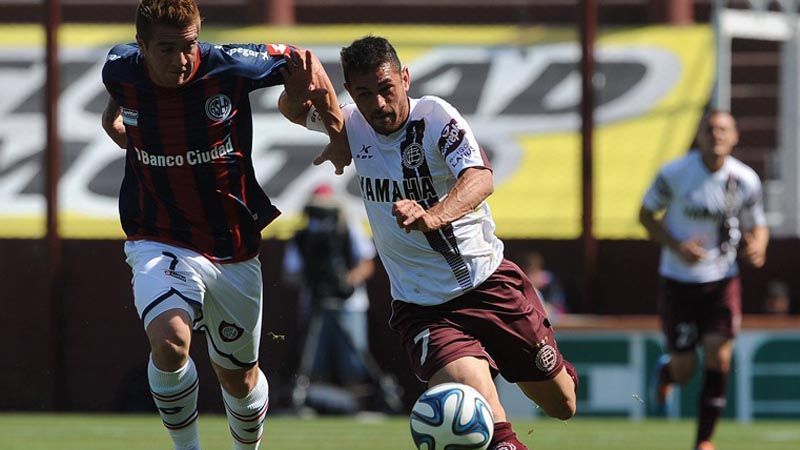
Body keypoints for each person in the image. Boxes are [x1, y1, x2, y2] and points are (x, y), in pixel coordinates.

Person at [280, 35, 577, 450]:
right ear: (351, 92)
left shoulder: (435, 116)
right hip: (424, 308)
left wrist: (432, 215)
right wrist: (297, 92)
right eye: (365, 94)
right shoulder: (352, 125)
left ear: (405, 78)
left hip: (488, 284)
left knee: (563, 403)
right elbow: (293, 111)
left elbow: (480, 177)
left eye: (386, 89)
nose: (379, 104)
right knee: (480, 413)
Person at [100, 1, 343, 449]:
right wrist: (113, 121)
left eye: (189, 46)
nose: (181, 60)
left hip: (232, 247)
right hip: (157, 235)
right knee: (171, 342)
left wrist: (338, 132)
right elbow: (119, 91)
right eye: (167, 49)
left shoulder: (228, 65)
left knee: (240, 381)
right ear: (142, 47)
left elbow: (302, 60)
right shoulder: (120, 65)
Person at [639, 110, 769, 450]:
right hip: (679, 280)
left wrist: (759, 246)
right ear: (700, 136)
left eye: (724, 129)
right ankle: (668, 372)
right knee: (686, 370)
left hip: (723, 280)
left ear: (735, 136)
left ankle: (704, 441)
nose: (717, 135)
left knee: (719, 357)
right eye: (710, 130)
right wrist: (677, 246)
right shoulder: (675, 173)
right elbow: (645, 214)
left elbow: (758, 224)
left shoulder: (745, 180)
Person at [283, 184, 377, 392]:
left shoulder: (348, 228)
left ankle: (361, 402)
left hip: (350, 304)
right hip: (315, 302)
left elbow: (367, 262)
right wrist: (314, 278)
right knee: (315, 358)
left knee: (354, 358)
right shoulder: (302, 235)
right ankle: (315, 401)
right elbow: (291, 272)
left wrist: (345, 280)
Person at [522, 251, 568, 320]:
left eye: (536, 270)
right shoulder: (521, 281)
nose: (533, 275)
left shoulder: (549, 279)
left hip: (554, 319)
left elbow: (559, 304)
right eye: (531, 271)